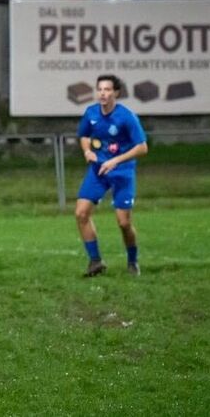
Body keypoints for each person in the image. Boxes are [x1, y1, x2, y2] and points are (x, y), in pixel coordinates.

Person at [74, 75, 148, 277]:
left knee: (124, 223)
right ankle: (95, 261)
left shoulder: (126, 117)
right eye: (99, 89)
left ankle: (132, 261)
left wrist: (115, 161)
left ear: (116, 93)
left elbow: (142, 147)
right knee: (81, 213)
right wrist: (87, 151)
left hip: (122, 171)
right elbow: (84, 136)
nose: (102, 93)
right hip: (99, 170)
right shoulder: (91, 113)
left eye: (107, 90)